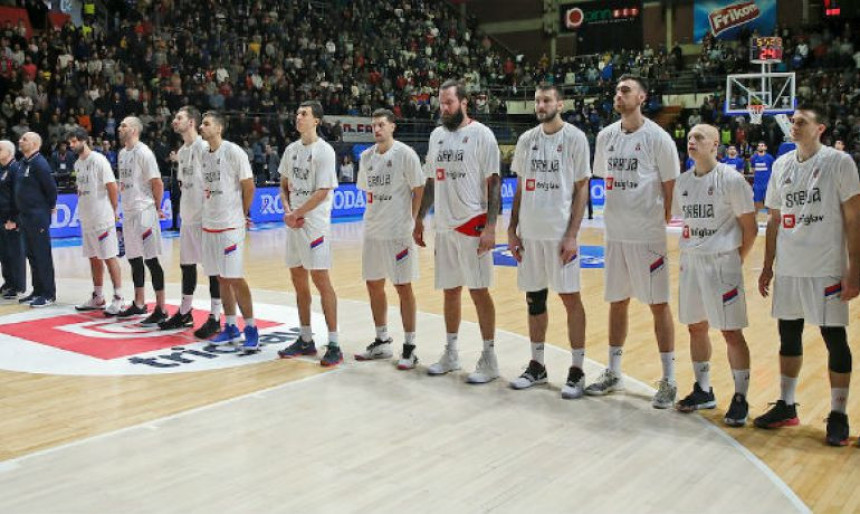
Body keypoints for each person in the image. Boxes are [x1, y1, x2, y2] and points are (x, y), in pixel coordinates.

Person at [755, 106, 860, 447]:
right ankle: (787, 404)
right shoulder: (781, 164)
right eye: (793, 122)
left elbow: (853, 217)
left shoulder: (838, 162)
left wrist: (854, 269)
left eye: (802, 122)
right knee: (788, 336)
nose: (795, 126)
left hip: (826, 266)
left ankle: (838, 413)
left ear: (820, 128)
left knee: (834, 338)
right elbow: (773, 220)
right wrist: (768, 265)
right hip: (789, 267)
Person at [588, 75, 680, 408]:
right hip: (614, 234)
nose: (619, 95)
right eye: (617, 90)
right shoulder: (605, 136)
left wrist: (659, 223)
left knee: (658, 304)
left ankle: (669, 379)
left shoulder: (659, 138)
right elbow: (603, 179)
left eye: (625, 90)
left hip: (647, 236)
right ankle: (613, 372)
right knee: (617, 301)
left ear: (642, 97)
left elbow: (671, 187)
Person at [414, 79, 502, 384]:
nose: (443, 108)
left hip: (473, 223)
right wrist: (418, 219)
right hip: (445, 227)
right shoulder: (437, 135)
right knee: (450, 291)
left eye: (449, 102)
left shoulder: (482, 135)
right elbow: (430, 181)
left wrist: (491, 227)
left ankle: (489, 358)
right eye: (441, 102)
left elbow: (495, 184)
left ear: (464, 102)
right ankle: (451, 353)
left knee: (478, 291)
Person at [506, 84, 591, 398]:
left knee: (570, 300)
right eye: (537, 100)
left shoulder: (575, 138)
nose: (541, 105)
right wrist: (512, 228)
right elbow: (518, 187)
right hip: (530, 234)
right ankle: (537, 365)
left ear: (560, 103)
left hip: (559, 236)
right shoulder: (527, 140)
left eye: (547, 100)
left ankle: (578, 369)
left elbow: (583, 187)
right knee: (535, 302)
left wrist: (572, 234)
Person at [672, 124, 757, 426]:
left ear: (714, 146)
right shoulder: (682, 182)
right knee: (696, 327)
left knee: (731, 332)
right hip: (691, 261)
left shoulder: (732, 180)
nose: (691, 141)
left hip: (722, 262)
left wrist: (736, 260)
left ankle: (740, 397)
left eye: (699, 137)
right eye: (690, 137)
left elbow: (750, 228)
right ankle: (703, 389)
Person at [353, 108, 425, 369]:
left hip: (398, 232)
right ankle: (382, 341)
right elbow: (367, 191)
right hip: (373, 231)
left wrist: (414, 219)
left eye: (381, 124)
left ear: (393, 127)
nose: (377, 129)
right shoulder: (366, 157)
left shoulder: (405, 154)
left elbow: (419, 188)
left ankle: (409, 346)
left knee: (402, 287)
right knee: (373, 285)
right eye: (373, 125)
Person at [275, 101, 343, 367]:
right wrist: (287, 209)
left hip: (314, 226)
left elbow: (323, 191)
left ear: (316, 120)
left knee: (321, 280)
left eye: (304, 114)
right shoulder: (291, 150)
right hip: (295, 224)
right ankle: (305, 339)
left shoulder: (324, 151)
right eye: (297, 113)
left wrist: (298, 213)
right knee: (298, 280)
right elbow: (283, 185)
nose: (298, 117)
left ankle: (335, 343)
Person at [198, 111, 259, 352]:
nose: (202, 127)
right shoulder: (203, 154)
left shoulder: (234, 152)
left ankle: (251, 327)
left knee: (234, 277)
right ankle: (231, 326)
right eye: (201, 123)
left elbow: (249, 186)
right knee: (221, 278)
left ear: (219, 128)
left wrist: (242, 214)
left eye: (206, 123)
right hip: (209, 223)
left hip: (231, 224)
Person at [159, 106, 222, 339]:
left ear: (192, 122)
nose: (174, 121)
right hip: (188, 219)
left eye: (179, 117)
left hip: (206, 219)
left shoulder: (204, 148)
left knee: (213, 269)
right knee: (187, 265)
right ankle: (185, 312)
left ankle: (215, 317)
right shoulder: (183, 151)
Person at [116, 116, 168, 324]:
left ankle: (162, 308)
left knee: (151, 260)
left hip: (144, 212)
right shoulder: (121, 153)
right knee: (134, 259)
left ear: (135, 130)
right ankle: (139, 303)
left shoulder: (144, 153)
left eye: (123, 125)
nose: (120, 128)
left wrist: (155, 207)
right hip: (128, 212)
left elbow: (157, 183)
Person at [67, 127, 125, 315]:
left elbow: (112, 187)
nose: (72, 145)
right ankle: (98, 297)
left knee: (109, 257)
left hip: (102, 218)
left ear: (85, 140)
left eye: (75, 141)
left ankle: (119, 297)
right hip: (87, 218)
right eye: (70, 142)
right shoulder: (77, 164)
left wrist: (114, 210)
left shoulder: (99, 160)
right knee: (93, 258)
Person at [16, 132, 57, 307]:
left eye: (24, 139)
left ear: (34, 143)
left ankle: (48, 293)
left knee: (42, 255)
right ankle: (37, 290)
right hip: (25, 217)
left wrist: (44, 211)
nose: (20, 140)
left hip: (37, 217)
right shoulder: (23, 163)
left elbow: (51, 190)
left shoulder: (40, 163)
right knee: (32, 255)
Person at [0, 139, 25, 299]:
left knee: (14, 253)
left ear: (9, 152)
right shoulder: (2, 169)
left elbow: (19, 196)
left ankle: (17, 286)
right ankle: (8, 282)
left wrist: (14, 218)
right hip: (1, 217)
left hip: (11, 218)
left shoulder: (16, 169)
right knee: (4, 253)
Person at [750, 141, 775, 215]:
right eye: (759, 145)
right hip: (758, 184)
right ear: (757, 148)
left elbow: (773, 169)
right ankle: (762, 221)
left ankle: (768, 221)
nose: (761, 147)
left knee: (768, 203)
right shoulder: (753, 158)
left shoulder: (770, 157)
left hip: (768, 184)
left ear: (765, 147)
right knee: (758, 203)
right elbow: (753, 170)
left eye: (762, 145)